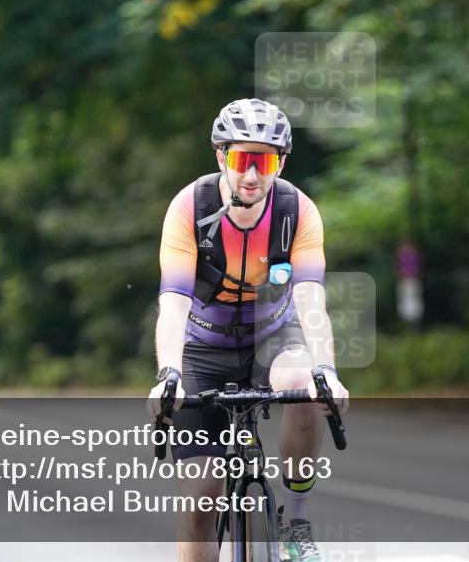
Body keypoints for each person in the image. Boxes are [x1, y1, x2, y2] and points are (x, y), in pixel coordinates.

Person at [147, 98, 350, 562]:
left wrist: (326, 369)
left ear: (281, 163)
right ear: (221, 156)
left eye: (267, 161)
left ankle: (295, 520)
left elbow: (310, 298)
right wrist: (168, 374)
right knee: (201, 494)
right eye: (243, 159)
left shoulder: (296, 210)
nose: (253, 175)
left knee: (304, 386)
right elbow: (174, 301)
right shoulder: (189, 208)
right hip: (203, 349)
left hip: (273, 339)